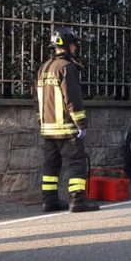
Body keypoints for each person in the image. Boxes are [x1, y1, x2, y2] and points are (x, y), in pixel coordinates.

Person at [35, 28, 99, 213]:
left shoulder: (44, 68)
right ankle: (77, 201)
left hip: (48, 129)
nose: (75, 49)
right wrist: (81, 124)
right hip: (66, 128)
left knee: (51, 166)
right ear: (69, 46)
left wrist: (41, 122)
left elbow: (36, 100)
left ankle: (49, 201)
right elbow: (72, 98)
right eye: (74, 46)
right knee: (76, 163)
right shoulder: (66, 68)